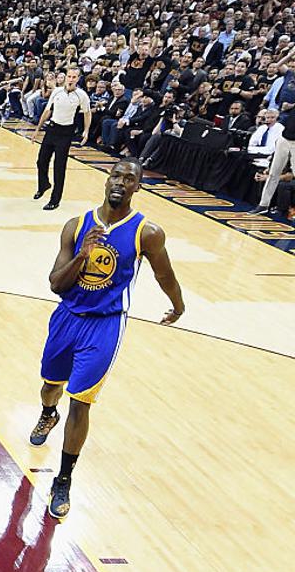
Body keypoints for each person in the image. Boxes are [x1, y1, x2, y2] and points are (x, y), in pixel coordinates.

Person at [29, 159, 185, 519]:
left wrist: (178, 305)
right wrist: (82, 255)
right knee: (50, 385)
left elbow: (165, 273)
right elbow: (56, 284)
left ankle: (63, 478)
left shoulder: (147, 232)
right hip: (67, 317)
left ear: (138, 187)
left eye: (130, 178)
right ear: (107, 180)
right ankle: (47, 413)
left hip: (106, 325)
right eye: (116, 175)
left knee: (80, 402)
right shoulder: (76, 225)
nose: (121, 182)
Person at [32, 66, 91, 210]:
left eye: (74, 77)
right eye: (69, 76)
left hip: (66, 132)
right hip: (52, 128)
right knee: (41, 161)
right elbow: (48, 110)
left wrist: (86, 131)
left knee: (59, 167)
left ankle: (55, 199)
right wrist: (37, 129)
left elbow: (87, 113)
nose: (70, 79)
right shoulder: (57, 91)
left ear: (78, 79)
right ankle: (43, 184)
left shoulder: (82, 95)